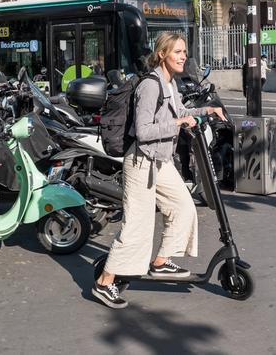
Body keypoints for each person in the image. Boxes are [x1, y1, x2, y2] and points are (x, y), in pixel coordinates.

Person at [92, 32, 226, 309]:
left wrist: (207, 111)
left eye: (184, 52)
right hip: (141, 162)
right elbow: (143, 132)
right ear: (162, 53)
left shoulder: (169, 83)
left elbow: (181, 110)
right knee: (137, 227)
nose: (183, 56)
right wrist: (178, 124)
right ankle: (104, 283)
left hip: (161, 162)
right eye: (177, 52)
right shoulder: (150, 86)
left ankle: (161, 262)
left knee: (183, 207)